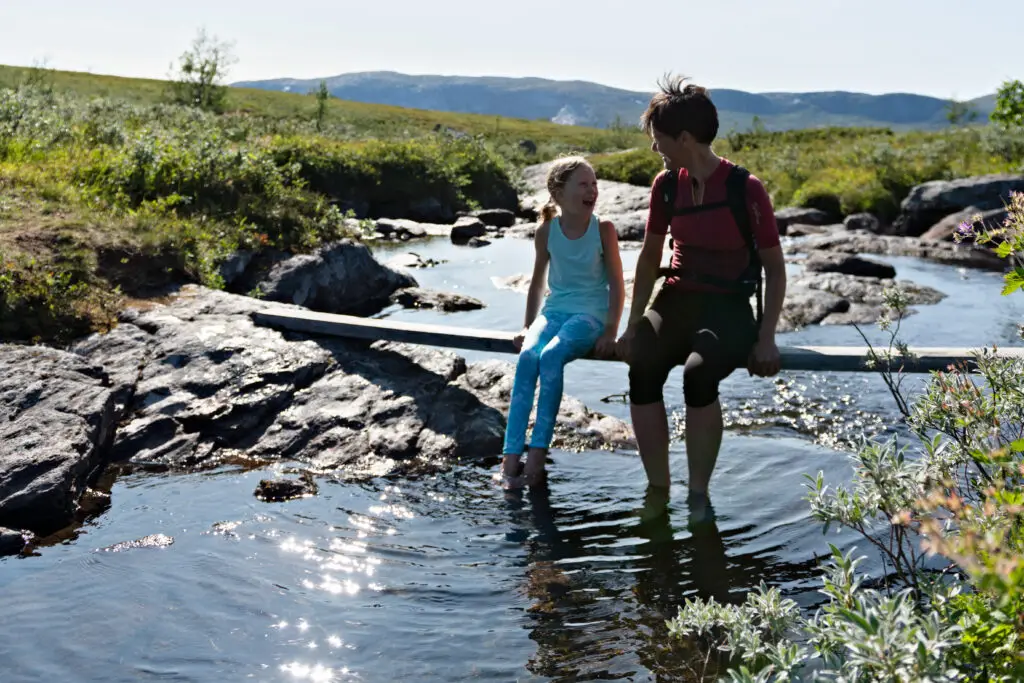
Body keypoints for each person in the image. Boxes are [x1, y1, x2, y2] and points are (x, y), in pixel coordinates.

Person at [616, 75, 787, 505]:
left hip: (728, 307)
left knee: (698, 374)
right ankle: (658, 489)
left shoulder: (744, 189)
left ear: (686, 138)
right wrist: (632, 325)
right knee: (642, 366)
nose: (655, 149)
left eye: (660, 140)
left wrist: (766, 337)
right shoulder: (666, 186)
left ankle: (697, 495)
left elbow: (775, 268)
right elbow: (648, 255)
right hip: (676, 299)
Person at [501, 155, 626, 489]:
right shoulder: (546, 230)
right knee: (528, 357)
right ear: (558, 192)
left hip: (590, 315)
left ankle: (535, 463)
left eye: (594, 184)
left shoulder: (604, 229)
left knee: (552, 356)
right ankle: (509, 461)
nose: (593, 190)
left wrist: (611, 331)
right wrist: (528, 326)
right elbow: (538, 282)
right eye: (583, 184)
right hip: (553, 311)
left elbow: (617, 283)